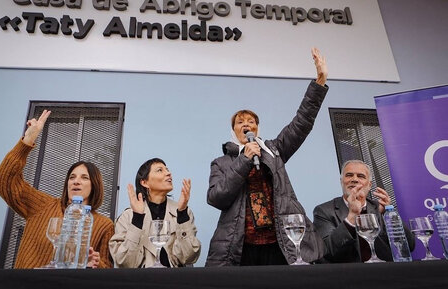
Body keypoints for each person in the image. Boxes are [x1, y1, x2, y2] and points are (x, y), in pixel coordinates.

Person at [205, 48, 328, 266]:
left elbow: (301, 123)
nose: (246, 124)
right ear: (233, 131)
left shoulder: (274, 150)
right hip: (241, 247)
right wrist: (244, 160)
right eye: (240, 122)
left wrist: (319, 83)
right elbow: (216, 197)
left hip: (281, 244)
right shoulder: (222, 163)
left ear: (258, 128)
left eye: (251, 121)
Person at [0, 110, 114, 268]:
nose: (76, 181)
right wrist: (28, 140)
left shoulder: (104, 225)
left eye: (84, 178)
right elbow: (3, 180)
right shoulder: (43, 206)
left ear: (95, 185)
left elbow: (107, 270)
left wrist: (95, 265)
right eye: (72, 177)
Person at [313, 160, 415, 263]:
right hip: (349, 274)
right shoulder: (324, 211)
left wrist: (390, 214)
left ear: (369, 185)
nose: (354, 179)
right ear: (341, 181)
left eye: (360, 176)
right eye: (349, 175)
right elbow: (326, 251)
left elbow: (409, 246)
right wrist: (352, 217)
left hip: (385, 272)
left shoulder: (379, 208)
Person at [109, 158, 201, 268]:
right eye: (160, 170)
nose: (168, 173)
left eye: (167, 169)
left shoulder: (183, 212)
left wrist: (182, 213)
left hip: (174, 281)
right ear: (144, 182)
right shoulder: (128, 216)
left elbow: (190, 257)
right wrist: (137, 218)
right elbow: (125, 263)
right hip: (141, 282)